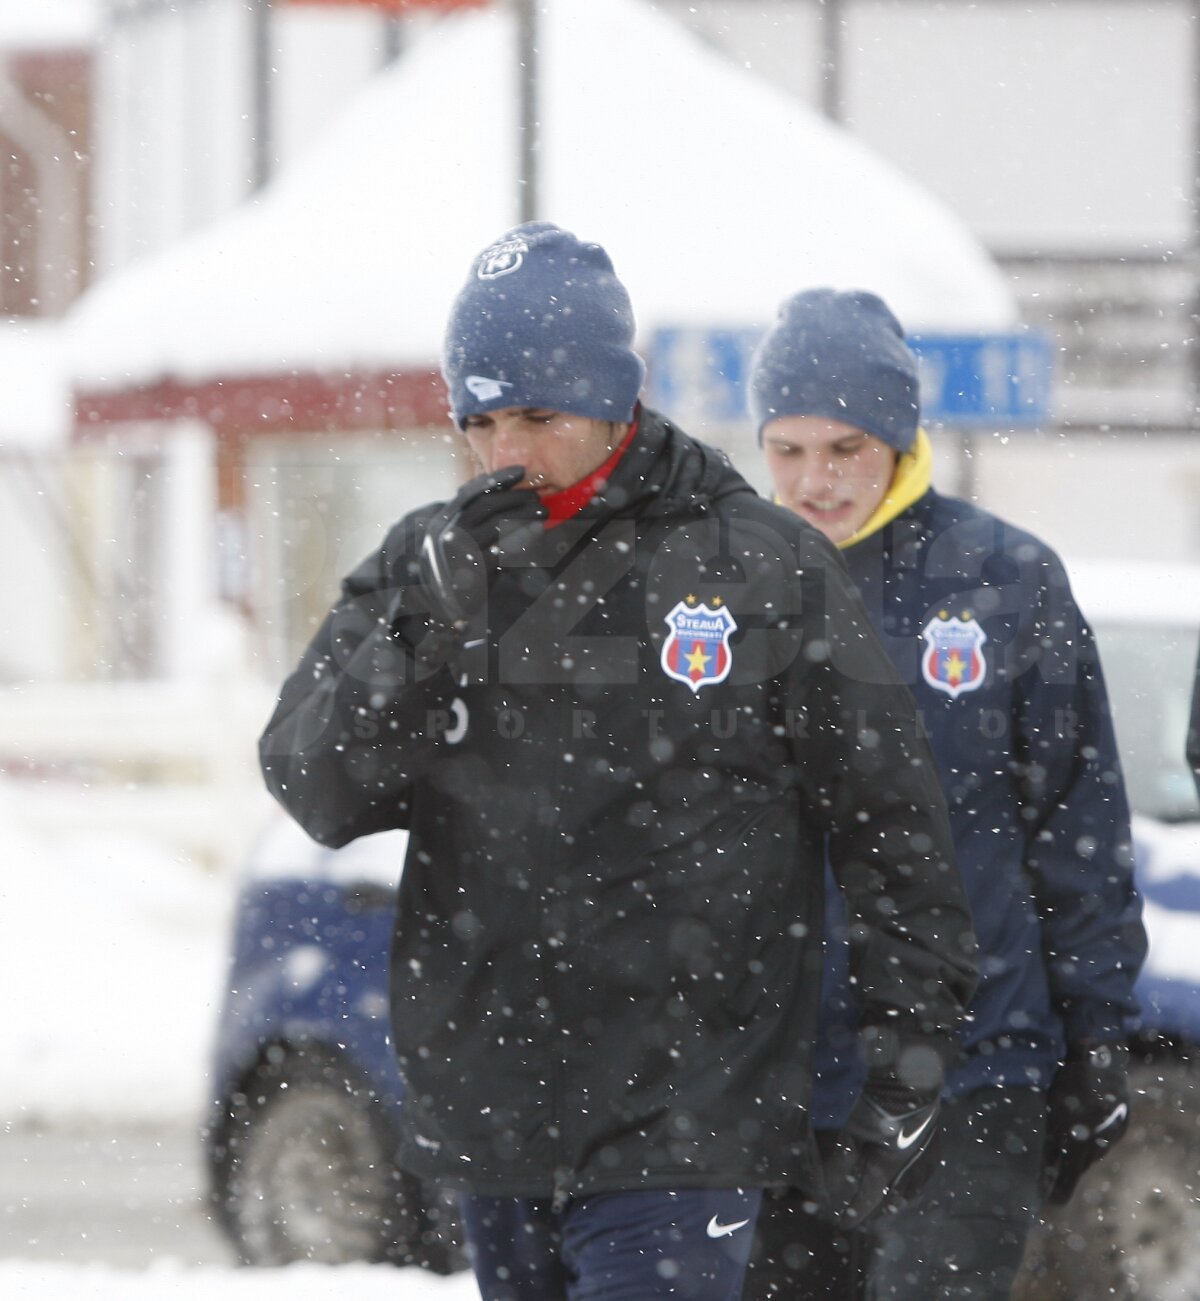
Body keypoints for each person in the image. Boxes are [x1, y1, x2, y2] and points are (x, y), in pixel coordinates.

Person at [258, 224, 977, 1301]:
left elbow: (893, 830)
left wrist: (907, 1061)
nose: (506, 451)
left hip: (691, 1117)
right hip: (495, 1116)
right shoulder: (426, 564)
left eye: (538, 416)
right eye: (481, 420)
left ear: (613, 402)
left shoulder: (758, 564)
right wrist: (421, 633)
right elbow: (313, 785)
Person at [742, 289, 1148, 1301]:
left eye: (844, 447)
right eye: (788, 449)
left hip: (968, 1073)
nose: (815, 480)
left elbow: (1076, 827)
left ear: (900, 434)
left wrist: (1096, 1031)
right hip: (775, 1088)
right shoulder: (722, 589)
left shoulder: (1005, 582)